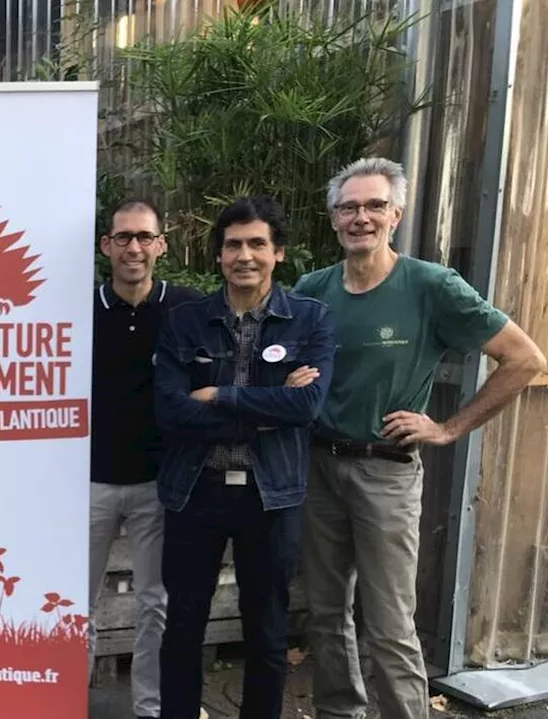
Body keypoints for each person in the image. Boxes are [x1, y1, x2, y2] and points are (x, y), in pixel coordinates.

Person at [293, 158, 546, 719]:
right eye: (349, 207)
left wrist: (448, 427)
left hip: (386, 472)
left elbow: (524, 359)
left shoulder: (430, 286)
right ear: (333, 219)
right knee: (326, 613)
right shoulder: (312, 290)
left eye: (374, 205)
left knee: (388, 622)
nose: (361, 217)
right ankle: (340, 712)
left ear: (396, 215)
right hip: (318, 467)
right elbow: (291, 369)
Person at [152, 196, 336, 719]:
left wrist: (219, 395)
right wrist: (270, 404)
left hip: (270, 495)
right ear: (219, 257)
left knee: (268, 631)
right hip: (194, 490)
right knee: (183, 625)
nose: (245, 255)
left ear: (278, 253)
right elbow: (170, 412)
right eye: (233, 244)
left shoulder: (311, 320)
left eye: (257, 243)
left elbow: (307, 405)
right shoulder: (185, 322)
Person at [87, 199, 201, 718]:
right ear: (106, 245)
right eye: (123, 237)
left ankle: (149, 709)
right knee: (74, 605)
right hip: (90, 483)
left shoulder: (187, 309)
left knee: (155, 603)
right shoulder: (81, 310)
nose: (134, 247)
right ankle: (69, 703)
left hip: (160, 483)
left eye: (144, 237)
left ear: (161, 244)